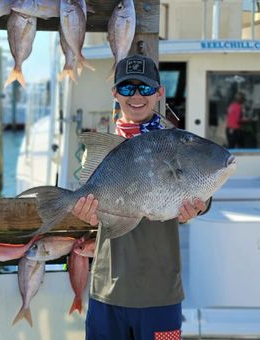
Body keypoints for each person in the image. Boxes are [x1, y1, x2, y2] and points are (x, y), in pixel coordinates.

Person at [72, 54, 211, 340]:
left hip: (161, 296)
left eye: (145, 88)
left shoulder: (177, 143)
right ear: (115, 94)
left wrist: (201, 205)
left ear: (159, 93)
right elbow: (88, 201)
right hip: (107, 292)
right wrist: (84, 212)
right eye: (126, 88)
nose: (136, 96)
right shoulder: (100, 148)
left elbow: (204, 184)